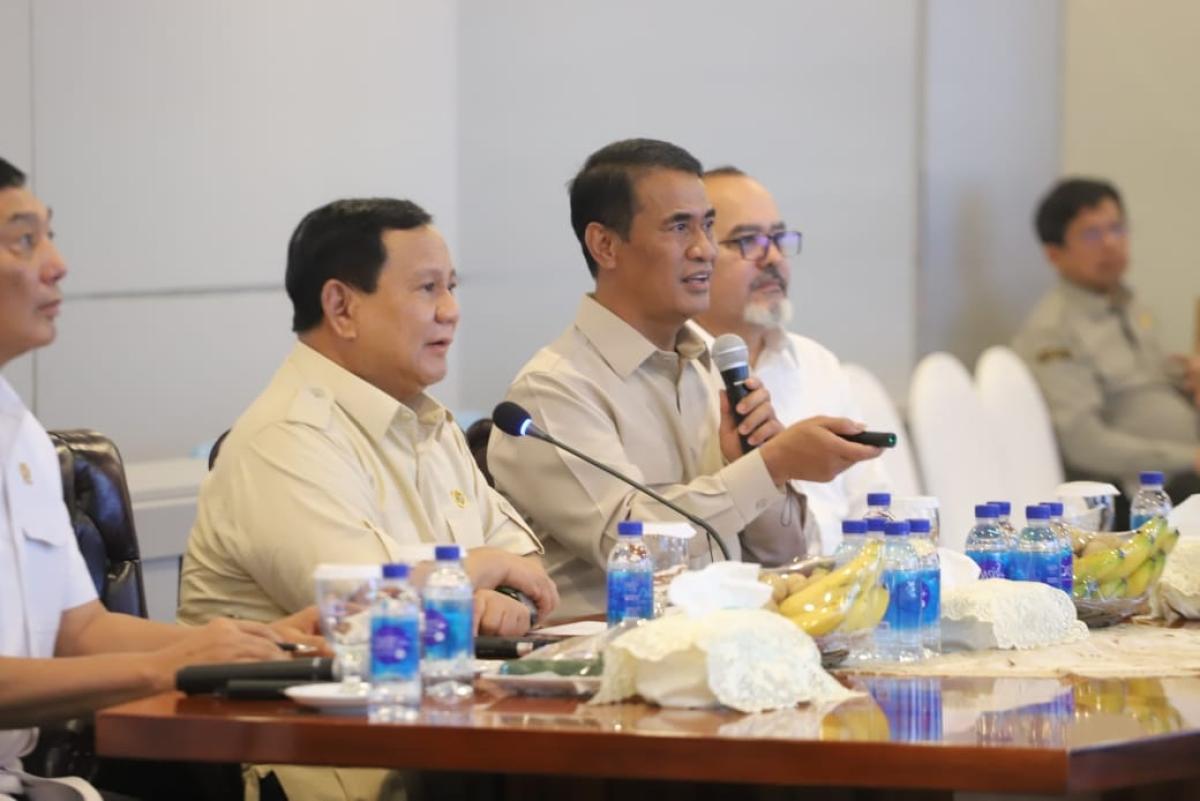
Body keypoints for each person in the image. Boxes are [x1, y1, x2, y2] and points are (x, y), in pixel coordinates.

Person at [0, 157, 326, 800]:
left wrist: (244, 644)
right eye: (23, 240)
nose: (57, 263)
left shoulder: (21, 434)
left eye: (49, 235)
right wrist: (161, 668)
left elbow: (80, 632)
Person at [487, 138, 881, 617]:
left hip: (725, 639)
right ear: (605, 245)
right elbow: (630, 545)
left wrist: (760, 463)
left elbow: (783, 555)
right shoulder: (553, 391)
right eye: (679, 228)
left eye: (708, 226)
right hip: (609, 649)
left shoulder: (710, 367)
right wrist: (768, 466)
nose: (705, 250)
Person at [692, 167, 890, 554]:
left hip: (844, 578)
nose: (772, 257)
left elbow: (874, 503)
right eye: (747, 241)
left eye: (778, 238)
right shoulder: (675, 371)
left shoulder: (817, 362)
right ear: (696, 258)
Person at [1012, 177, 1200, 503]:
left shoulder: (1129, 304)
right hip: (1136, 491)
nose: (1111, 243)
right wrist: (1189, 457)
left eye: (1117, 228)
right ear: (1055, 254)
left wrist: (1187, 377)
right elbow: (1084, 443)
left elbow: (1148, 384)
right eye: (1091, 235)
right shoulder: (1053, 331)